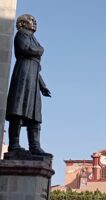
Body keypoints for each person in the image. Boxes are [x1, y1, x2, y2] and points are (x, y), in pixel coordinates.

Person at [6, 14, 51, 156]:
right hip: (23, 77)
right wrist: (41, 50)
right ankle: (14, 144)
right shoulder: (21, 35)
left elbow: (36, 69)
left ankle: (35, 146)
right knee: (18, 109)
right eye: (32, 21)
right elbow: (25, 49)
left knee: (35, 113)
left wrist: (42, 86)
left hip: (32, 80)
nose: (35, 23)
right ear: (23, 23)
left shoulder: (32, 38)